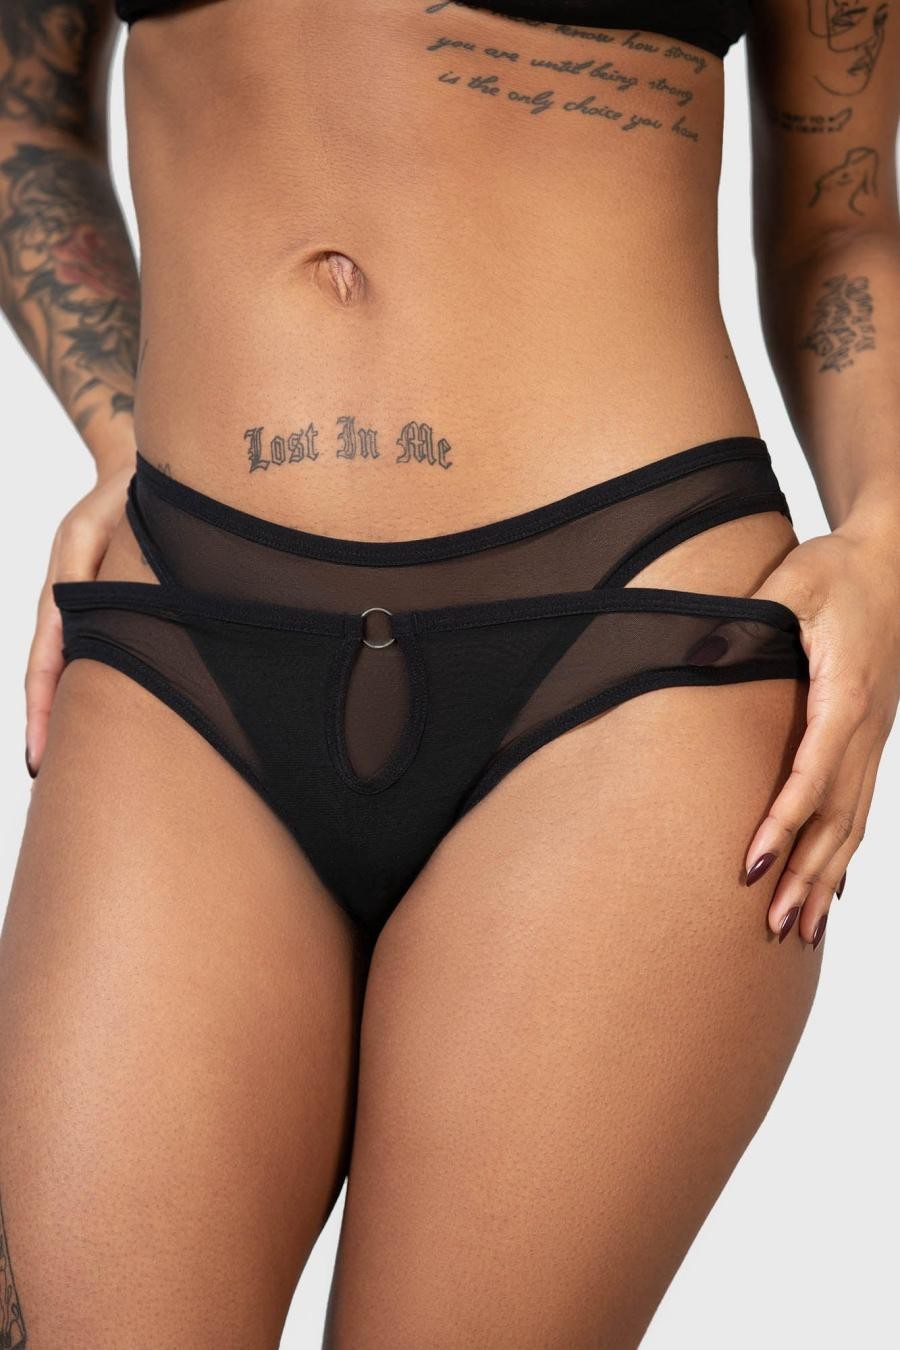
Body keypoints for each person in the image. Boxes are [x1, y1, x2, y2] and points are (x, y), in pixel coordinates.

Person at [0, 2, 897, 1345]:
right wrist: (120, 430)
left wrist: (886, 538)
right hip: (192, 605)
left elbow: (843, 212)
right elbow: (24, 115)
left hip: (630, 636)